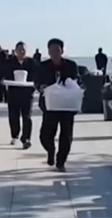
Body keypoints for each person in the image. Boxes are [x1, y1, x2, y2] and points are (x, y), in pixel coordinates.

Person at [35, 38, 80, 172]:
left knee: (66, 135)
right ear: (48, 52)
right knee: (45, 135)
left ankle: (61, 161)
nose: (55, 53)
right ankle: (51, 150)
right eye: (52, 50)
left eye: (57, 50)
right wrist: (40, 87)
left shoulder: (71, 66)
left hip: (67, 105)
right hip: (50, 105)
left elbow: (78, 81)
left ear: (62, 51)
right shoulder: (43, 66)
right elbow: (36, 82)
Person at [5, 42, 36, 149]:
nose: (22, 52)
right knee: (13, 116)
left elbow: (37, 75)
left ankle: (26, 138)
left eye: (23, 50)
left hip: (27, 93)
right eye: (19, 49)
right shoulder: (9, 62)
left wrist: (34, 85)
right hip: (13, 93)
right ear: (15, 51)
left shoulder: (32, 63)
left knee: (27, 117)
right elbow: (2, 74)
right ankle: (15, 135)